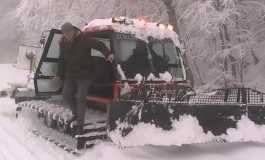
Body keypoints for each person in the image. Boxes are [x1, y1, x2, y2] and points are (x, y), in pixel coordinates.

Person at [52, 22, 114, 135]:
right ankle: (76, 114)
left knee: (81, 97)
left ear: (72, 30)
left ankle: (80, 124)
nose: (67, 34)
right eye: (65, 33)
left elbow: (99, 45)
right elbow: (62, 60)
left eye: (69, 32)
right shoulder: (63, 44)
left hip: (84, 75)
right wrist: (59, 74)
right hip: (71, 74)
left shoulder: (83, 39)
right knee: (66, 94)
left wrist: (108, 54)